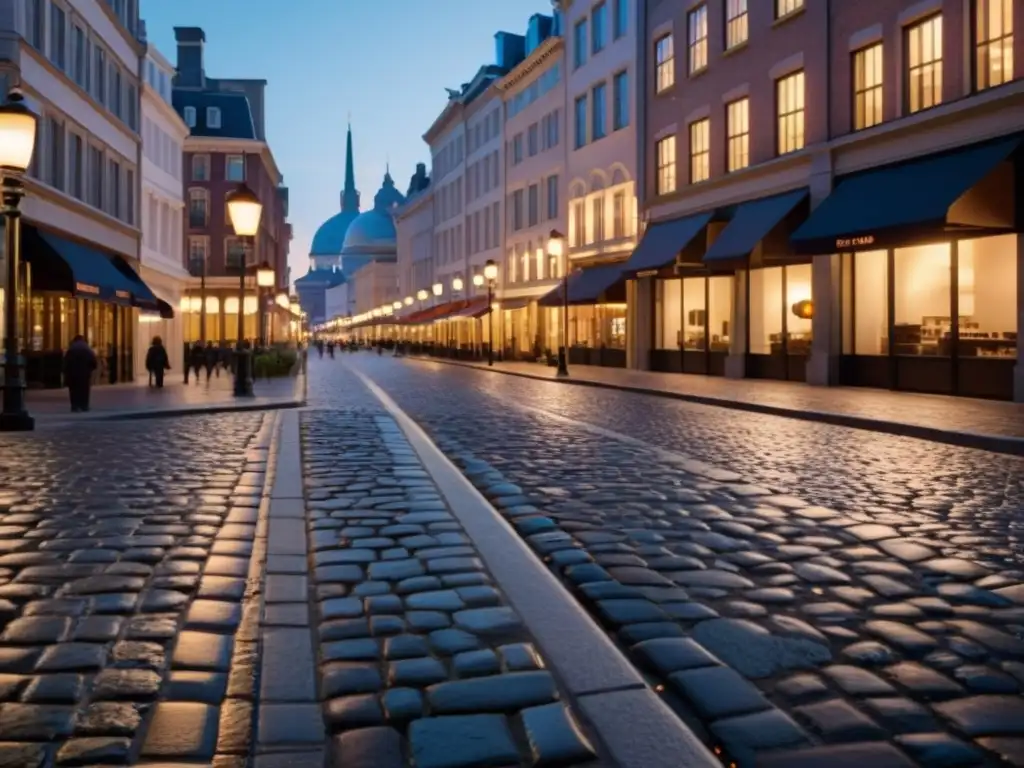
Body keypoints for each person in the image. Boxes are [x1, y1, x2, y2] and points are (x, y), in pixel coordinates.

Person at [64, 335, 97, 412]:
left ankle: (75, 406)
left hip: (72, 373)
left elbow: (66, 362)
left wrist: (66, 372)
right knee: (84, 390)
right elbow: (93, 362)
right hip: (84, 373)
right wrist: (90, 369)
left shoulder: (71, 349)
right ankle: (84, 405)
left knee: (73, 391)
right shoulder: (87, 349)